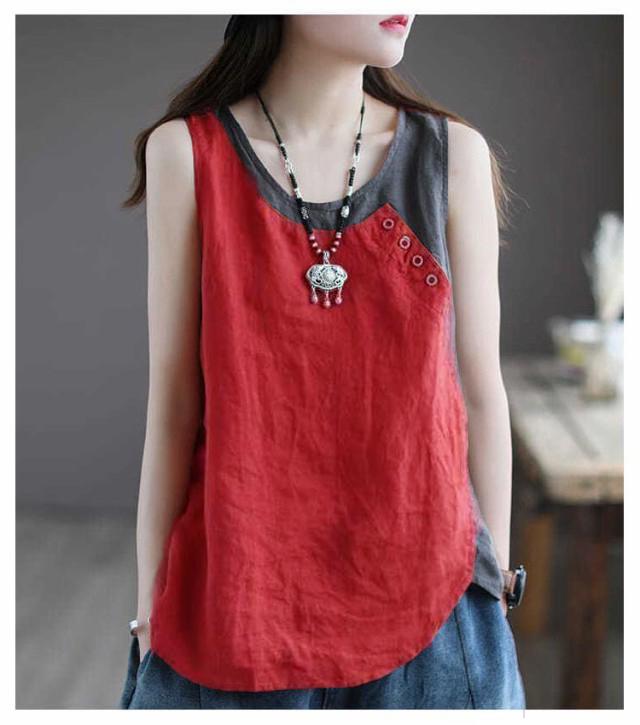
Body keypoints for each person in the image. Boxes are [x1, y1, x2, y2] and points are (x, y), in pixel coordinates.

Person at [117, 14, 527, 709]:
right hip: (237, 607)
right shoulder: (187, 153)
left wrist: (495, 588)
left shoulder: (450, 155)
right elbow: (176, 404)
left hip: (436, 611)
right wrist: (148, 607)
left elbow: (481, 392)